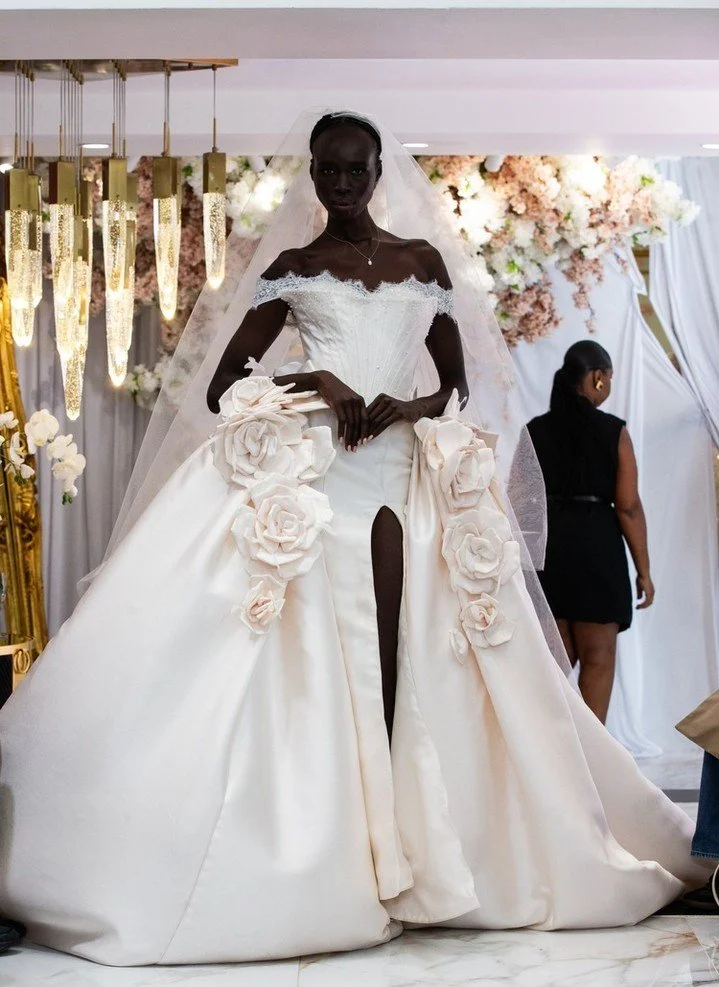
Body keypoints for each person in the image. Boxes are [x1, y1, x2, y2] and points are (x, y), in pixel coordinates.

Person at [0, 112, 707, 967]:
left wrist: (409, 405)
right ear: (313, 174)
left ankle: (432, 843)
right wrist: (313, 377)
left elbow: (453, 380)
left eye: (353, 171)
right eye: (327, 173)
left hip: (404, 464)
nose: (340, 185)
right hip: (319, 467)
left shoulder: (420, 262)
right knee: (307, 637)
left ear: (378, 171)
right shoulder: (296, 267)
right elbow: (226, 383)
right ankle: (328, 844)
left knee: (424, 643)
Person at [527, 342, 654, 723]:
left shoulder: (534, 430)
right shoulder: (613, 431)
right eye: (609, 377)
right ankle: (593, 764)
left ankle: (551, 760)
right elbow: (628, 506)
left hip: (550, 551)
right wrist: (643, 571)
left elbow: (518, 500)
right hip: (597, 548)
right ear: (598, 377)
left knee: (552, 665)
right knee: (598, 660)